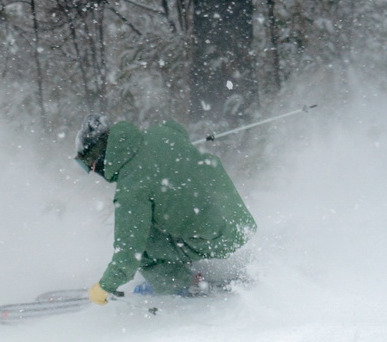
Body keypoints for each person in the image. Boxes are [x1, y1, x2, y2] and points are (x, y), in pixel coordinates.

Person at [73, 113, 256, 304]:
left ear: (100, 153)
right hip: (238, 219)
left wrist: (105, 286)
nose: (92, 170)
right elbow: (176, 127)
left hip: (218, 239)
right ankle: (189, 271)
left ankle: (180, 285)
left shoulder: (131, 187)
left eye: (88, 164)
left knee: (142, 248)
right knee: (156, 220)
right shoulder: (162, 132)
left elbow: (129, 251)